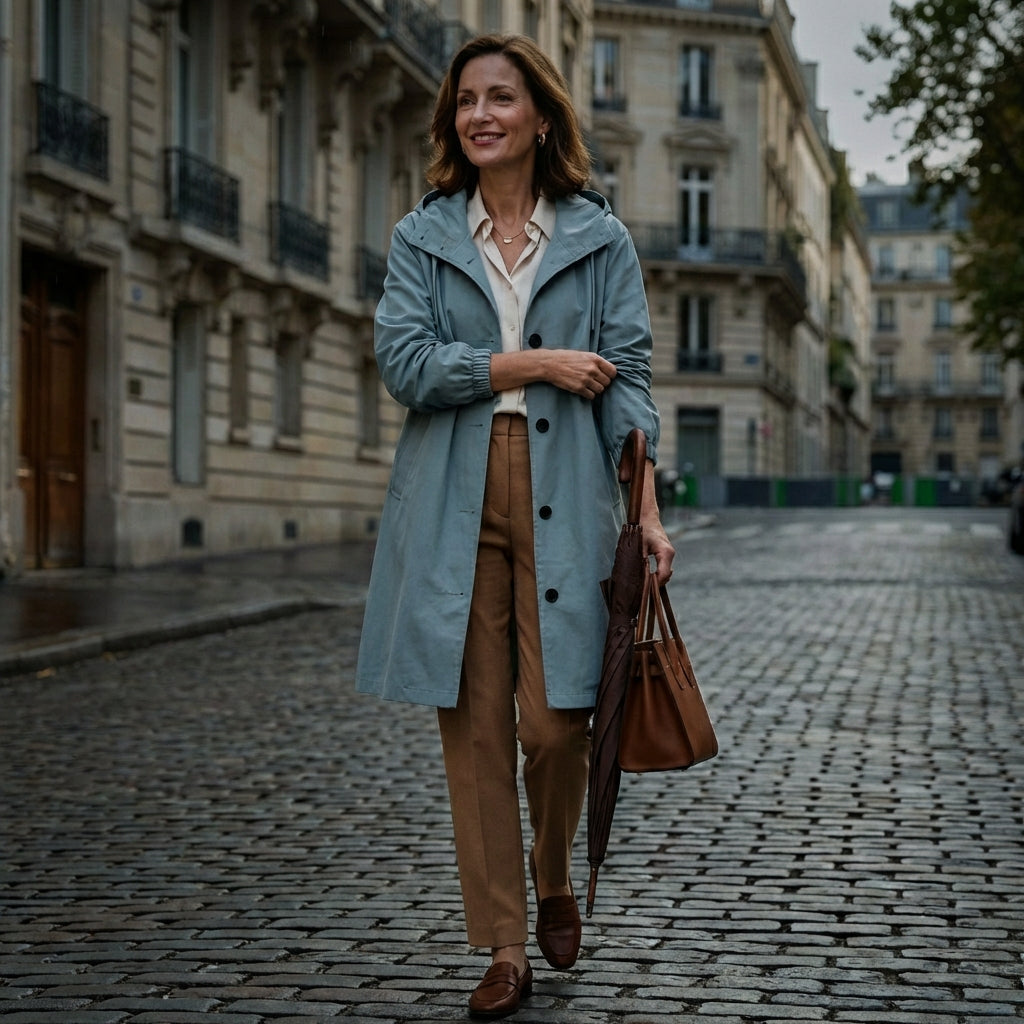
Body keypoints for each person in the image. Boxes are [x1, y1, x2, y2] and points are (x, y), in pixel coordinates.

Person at [355, 33, 674, 1019]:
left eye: (500, 98)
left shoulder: (597, 238)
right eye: (465, 102)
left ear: (542, 116)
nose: (479, 115)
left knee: (554, 725)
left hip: (570, 494)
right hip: (450, 495)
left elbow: (629, 380)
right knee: (474, 731)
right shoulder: (423, 236)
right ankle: (503, 946)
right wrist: (529, 364)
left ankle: (550, 877)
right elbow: (404, 361)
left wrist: (648, 514)